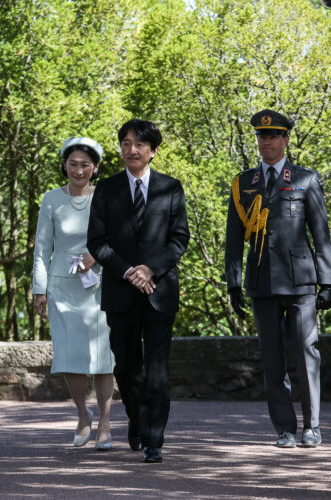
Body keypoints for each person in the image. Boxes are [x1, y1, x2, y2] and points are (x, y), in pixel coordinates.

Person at [224, 109, 331, 448]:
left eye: (273, 135)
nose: (266, 141)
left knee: (306, 351)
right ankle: (285, 428)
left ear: (285, 139)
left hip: (300, 280)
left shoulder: (305, 179)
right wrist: (233, 282)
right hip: (261, 281)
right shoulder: (244, 183)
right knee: (272, 358)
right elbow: (233, 238)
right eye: (261, 135)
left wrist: (327, 281)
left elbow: (321, 233)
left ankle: (312, 425)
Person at [87, 119, 190, 463]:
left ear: (153, 151)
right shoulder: (106, 189)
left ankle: (154, 438)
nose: (132, 150)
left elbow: (179, 240)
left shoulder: (171, 188)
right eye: (126, 143)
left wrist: (151, 269)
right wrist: (130, 271)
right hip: (120, 291)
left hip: (160, 291)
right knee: (127, 366)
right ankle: (137, 419)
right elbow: (97, 242)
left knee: (158, 367)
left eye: (140, 145)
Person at [32, 137, 115, 450]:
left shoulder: (106, 197)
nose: (78, 170)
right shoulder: (51, 199)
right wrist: (39, 289)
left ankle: (106, 421)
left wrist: (96, 255)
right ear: (64, 165)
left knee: (104, 358)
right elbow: (42, 248)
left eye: (85, 165)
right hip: (63, 287)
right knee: (69, 358)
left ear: (95, 168)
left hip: (100, 285)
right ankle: (83, 414)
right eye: (73, 164)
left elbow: (120, 236)